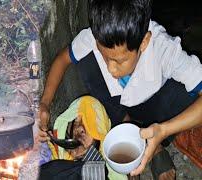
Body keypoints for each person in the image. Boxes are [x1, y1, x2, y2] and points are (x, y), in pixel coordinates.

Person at [38, 0, 202, 179]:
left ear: (144, 42)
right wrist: (45, 104)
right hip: (119, 106)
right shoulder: (94, 37)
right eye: (105, 56)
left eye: (119, 61)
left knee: (189, 97)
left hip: (156, 109)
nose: (111, 69)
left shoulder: (164, 48)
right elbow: (63, 59)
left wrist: (163, 130)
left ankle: (154, 144)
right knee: (86, 60)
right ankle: (126, 127)